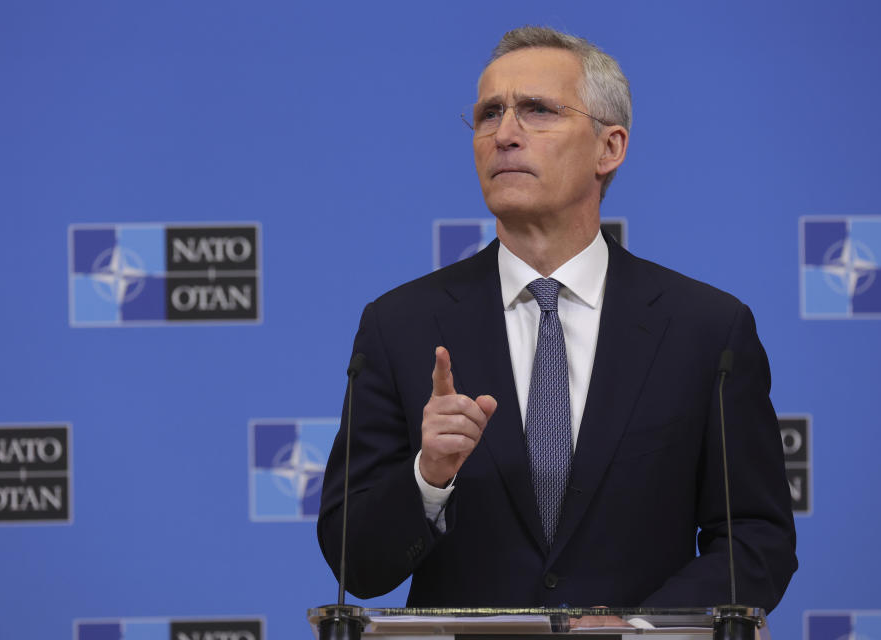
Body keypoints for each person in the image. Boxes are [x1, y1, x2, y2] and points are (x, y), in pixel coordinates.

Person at [317, 26, 797, 612]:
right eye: (489, 114)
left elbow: (755, 540)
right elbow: (355, 564)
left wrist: (638, 630)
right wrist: (428, 476)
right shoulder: (399, 326)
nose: (505, 135)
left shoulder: (707, 330)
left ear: (609, 148)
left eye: (537, 110)